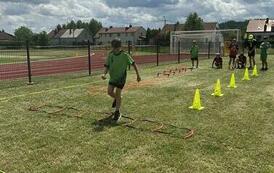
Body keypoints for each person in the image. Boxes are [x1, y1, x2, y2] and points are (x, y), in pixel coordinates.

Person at [102, 38, 141, 121]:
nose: (115, 49)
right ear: (112, 47)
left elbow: (134, 64)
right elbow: (107, 66)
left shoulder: (125, 55)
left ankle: (117, 112)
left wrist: (138, 75)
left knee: (118, 93)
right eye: (113, 48)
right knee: (109, 92)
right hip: (113, 77)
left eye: (117, 48)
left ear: (120, 47)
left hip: (121, 78)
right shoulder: (110, 55)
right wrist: (104, 74)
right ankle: (117, 98)